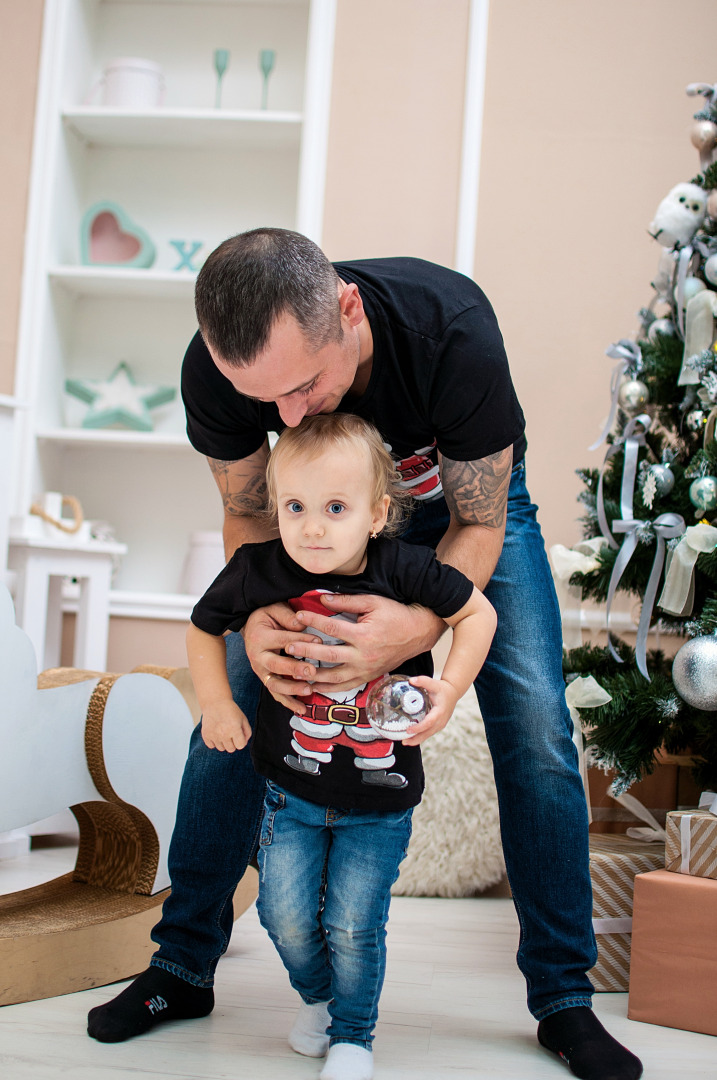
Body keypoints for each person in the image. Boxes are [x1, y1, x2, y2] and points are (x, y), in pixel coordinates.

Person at [88, 228, 643, 1080]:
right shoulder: (223, 369)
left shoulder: (449, 330)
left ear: (347, 310)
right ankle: (182, 967)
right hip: (317, 522)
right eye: (264, 401)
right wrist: (264, 620)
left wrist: (417, 626)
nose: (289, 417)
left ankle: (562, 999)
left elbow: (481, 521)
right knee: (231, 705)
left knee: (534, 730)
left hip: (461, 515)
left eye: (306, 386)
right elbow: (247, 512)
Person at [186, 412, 496, 1080]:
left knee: (355, 926)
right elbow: (202, 626)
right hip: (290, 792)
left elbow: (478, 612)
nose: (313, 527)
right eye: (295, 506)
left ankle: (354, 1035)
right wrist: (215, 701)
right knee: (283, 914)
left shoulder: (408, 569)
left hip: (378, 802)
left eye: (334, 507)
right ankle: (320, 998)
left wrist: (448, 686)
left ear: (377, 513)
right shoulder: (262, 570)